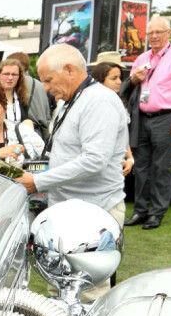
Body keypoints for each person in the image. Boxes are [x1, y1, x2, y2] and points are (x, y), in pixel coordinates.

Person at [18, 43, 128, 229]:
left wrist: (38, 181)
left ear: (69, 70)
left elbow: (94, 160)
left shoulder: (99, 101)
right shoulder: (72, 100)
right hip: (71, 210)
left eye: (48, 80)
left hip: (93, 212)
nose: (45, 88)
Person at [125, 16, 171, 230]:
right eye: (150, 33)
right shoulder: (141, 58)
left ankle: (156, 213)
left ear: (169, 33)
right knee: (141, 168)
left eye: (159, 32)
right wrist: (135, 79)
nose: (154, 36)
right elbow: (129, 87)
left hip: (166, 117)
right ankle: (140, 210)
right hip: (141, 118)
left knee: (161, 168)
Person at [91, 61, 136, 178]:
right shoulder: (92, 103)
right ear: (100, 80)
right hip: (99, 164)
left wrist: (130, 158)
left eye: (120, 78)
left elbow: (122, 134)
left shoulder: (118, 102)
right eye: (114, 78)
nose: (119, 82)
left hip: (116, 164)